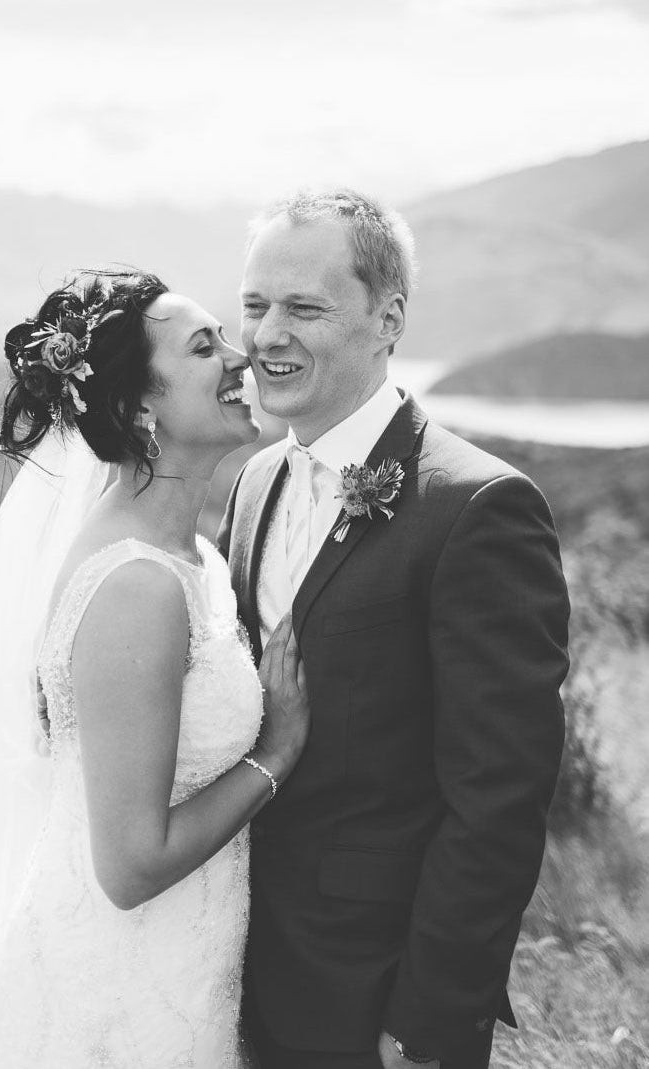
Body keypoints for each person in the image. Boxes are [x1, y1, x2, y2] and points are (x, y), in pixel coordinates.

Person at [0, 269, 311, 1069]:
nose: (241, 356)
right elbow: (129, 865)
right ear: (139, 410)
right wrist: (277, 752)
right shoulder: (136, 586)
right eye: (204, 346)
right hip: (121, 988)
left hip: (179, 963)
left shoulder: (186, 556)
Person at [217, 190, 571, 1069]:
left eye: (303, 307)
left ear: (388, 319)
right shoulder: (254, 480)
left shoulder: (478, 508)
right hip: (228, 966)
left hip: (372, 997)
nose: (266, 335)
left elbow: (499, 797)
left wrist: (428, 1022)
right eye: (255, 306)